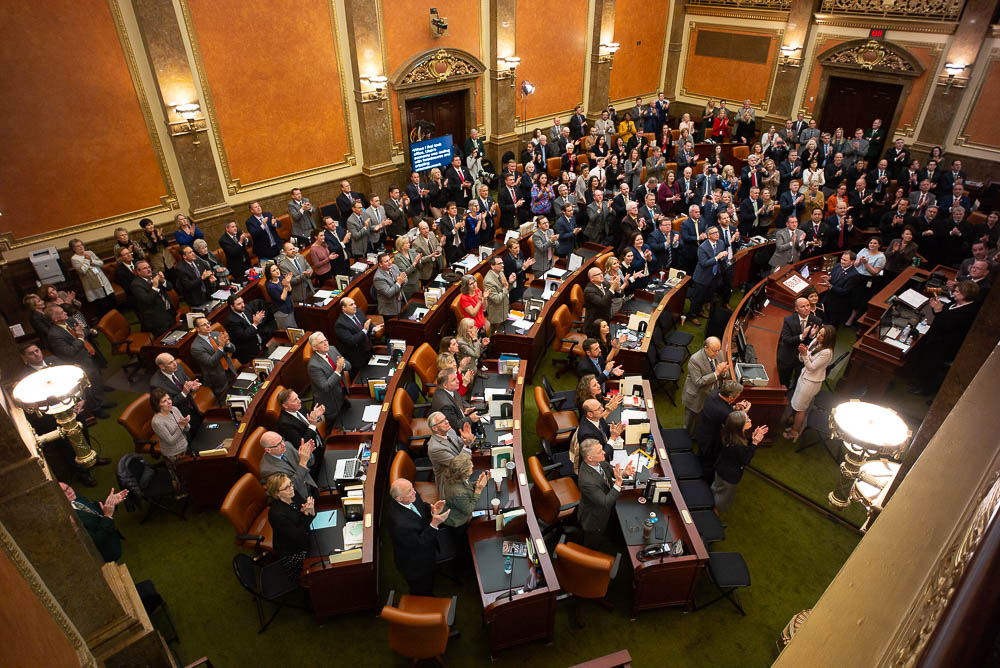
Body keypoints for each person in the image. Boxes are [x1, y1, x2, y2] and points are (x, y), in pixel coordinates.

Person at [909, 280, 981, 395]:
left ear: (965, 294)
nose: (954, 293)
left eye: (957, 292)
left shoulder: (968, 312)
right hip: (934, 339)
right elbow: (942, 315)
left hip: (944, 346)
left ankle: (925, 389)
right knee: (925, 362)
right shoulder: (954, 303)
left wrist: (938, 311)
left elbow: (948, 325)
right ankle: (918, 382)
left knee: (932, 367)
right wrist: (936, 309)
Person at [45, 304, 111, 417]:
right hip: (78, 363)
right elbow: (69, 351)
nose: (65, 313)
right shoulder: (54, 335)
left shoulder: (70, 320)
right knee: (87, 387)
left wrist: (89, 332)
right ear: (55, 319)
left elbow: (83, 330)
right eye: (61, 312)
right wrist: (80, 338)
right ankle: (96, 409)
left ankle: (101, 402)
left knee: (96, 379)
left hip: (89, 353)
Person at [387, 478, 450, 596]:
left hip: (427, 552)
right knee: (423, 590)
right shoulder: (399, 524)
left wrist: (432, 510)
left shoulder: (410, 497)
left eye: (412, 488)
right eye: (410, 492)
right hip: (416, 565)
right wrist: (434, 524)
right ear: (399, 499)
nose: (414, 492)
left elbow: (422, 507)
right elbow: (419, 544)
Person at [577, 439, 634, 549]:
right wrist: (618, 483)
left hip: (606, 508)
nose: (604, 452)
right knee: (592, 544)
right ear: (590, 458)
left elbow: (611, 471)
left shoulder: (599, 461)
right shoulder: (587, 481)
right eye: (599, 451)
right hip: (594, 518)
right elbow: (605, 503)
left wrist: (623, 472)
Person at [784, 324, 836, 442]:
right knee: (797, 404)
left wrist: (804, 354)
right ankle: (794, 426)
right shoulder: (815, 342)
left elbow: (812, 367)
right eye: (819, 333)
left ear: (828, 339)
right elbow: (802, 358)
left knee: (801, 408)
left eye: (822, 336)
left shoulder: (827, 352)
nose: (818, 337)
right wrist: (802, 353)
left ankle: (794, 432)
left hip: (811, 383)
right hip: (804, 377)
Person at [712, 411, 767, 513]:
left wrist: (752, 438)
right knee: (722, 499)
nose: (750, 420)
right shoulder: (737, 445)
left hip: (721, 468)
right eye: (747, 420)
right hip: (729, 476)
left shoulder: (729, 433)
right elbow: (745, 459)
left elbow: (743, 441)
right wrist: (755, 443)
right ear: (740, 426)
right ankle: (714, 513)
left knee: (717, 489)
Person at [695, 380, 749, 483]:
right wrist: (743, 413)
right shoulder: (724, 413)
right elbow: (733, 423)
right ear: (730, 398)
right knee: (708, 463)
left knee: (701, 456)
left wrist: (734, 407)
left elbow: (724, 408)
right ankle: (704, 482)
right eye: (737, 395)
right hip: (711, 442)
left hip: (702, 432)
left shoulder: (714, 393)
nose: (738, 397)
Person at [61, 483, 127, 562]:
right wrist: (107, 516)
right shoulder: (70, 519)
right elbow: (95, 541)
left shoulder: (76, 497)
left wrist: (111, 503)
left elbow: (95, 507)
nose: (69, 491)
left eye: (68, 487)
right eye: (64, 491)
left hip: (112, 537)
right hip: (107, 552)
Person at [265, 473, 315, 578]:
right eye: (286, 488)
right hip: (293, 551)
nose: (291, 488)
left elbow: (308, 514)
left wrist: (310, 511)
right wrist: (307, 514)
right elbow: (297, 536)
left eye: (291, 484)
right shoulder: (276, 514)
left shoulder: (293, 494)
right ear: (277, 493)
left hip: (304, 533)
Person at [682, 337, 730, 434]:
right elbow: (698, 382)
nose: (717, 354)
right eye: (714, 351)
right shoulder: (695, 360)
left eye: (718, 350)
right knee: (691, 422)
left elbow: (726, 374)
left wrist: (724, 373)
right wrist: (716, 373)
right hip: (697, 396)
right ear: (706, 348)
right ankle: (687, 438)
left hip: (714, 394)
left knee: (706, 419)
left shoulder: (719, 353)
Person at [439, 453, 488, 542]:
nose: (472, 466)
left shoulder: (455, 476)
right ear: (463, 473)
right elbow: (469, 509)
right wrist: (478, 490)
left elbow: (466, 485)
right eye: (470, 467)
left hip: (457, 505)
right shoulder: (458, 493)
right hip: (458, 522)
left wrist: (477, 483)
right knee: (463, 542)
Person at [150, 352, 204, 434]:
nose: (175, 364)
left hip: (191, 405)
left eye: (174, 360)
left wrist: (192, 386)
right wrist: (184, 393)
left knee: (201, 428)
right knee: (192, 435)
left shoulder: (178, 366)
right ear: (162, 367)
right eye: (170, 363)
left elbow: (186, 380)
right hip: (179, 414)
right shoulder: (156, 384)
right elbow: (168, 404)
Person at [149, 388, 190, 494]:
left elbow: (187, 429)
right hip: (173, 453)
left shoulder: (174, 409)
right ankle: (182, 494)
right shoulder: (157, 422)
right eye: (164, 401)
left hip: (185, 445)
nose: (169, 402)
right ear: (158, 405)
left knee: (189, 472)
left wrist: (185, 423)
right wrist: (181, 425)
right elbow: (170, 441)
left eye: (169, 399)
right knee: (181, 476)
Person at [776, 297, 823, 390]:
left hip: (804, 358)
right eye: (803, 306)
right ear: (796, 309)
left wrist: (812, 336)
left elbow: (815, 344)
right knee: (784, 381)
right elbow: (786, 340)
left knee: (799, 380)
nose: (807, 308)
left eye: (808, 305)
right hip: (788, 355)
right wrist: (802, 336)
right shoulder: (788, 320)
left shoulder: (817, 321)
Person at [259, 431, 318, 502]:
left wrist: (307, 454)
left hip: (311, 484)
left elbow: (310, 463)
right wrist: (302, 462)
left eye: (282, 440)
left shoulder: (287, 446)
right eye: (278, 444)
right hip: (299, 498)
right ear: (268, 450)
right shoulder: (267, 470)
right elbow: (291, 487)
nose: (283, 444)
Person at [306, 331, 350, 427]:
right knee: (338, 427)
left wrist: (343, 365)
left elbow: (348, 365)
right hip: (331, 403)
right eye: (321, 342)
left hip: (342, 394)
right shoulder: (313, 366)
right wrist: (338, 370)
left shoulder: (332, 349)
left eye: (325, 340)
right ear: (314, 348)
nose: (326, 343)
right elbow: (325, 387)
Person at [687, 226, 727, 326]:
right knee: (697, 298)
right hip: (702, 277)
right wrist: (717, 257)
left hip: (713, 275)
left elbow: (721, 258)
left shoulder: (721, 243)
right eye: (714, 233)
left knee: (706, 296)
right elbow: (704, 263)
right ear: (709, 236)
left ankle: (699, 311)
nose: (717, 234)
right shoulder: (702, 247)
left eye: (717, 232)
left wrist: (723, 257)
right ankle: (692, 315)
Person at [190, 316, 236, 403]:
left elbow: (232, 350)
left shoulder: (216, 334)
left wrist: (228, 343)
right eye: (204, 325)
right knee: (226, 402)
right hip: (217, 379)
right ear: (197, 329)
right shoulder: (196, 347)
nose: (208, 326)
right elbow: (211, 362)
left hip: (229, 370)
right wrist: (221, 346)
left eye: (208, 323)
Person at [845, 237, 886, 327]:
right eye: (871, 242)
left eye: (875, 243)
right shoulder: (864, 250)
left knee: (859, 300)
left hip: (867, 280)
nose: (872, 245)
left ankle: (852, 318)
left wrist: (866, 263)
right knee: (849, 294)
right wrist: (858, 261)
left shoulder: (881, 257)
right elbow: (855, 263)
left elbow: (875, 272)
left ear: (879, 245)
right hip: (856, 276)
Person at [68, 238, 116, 314]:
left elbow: (101, 263)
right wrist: (87, 260)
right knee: (102, 306)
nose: (81, 247)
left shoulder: (89, 252)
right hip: (92, 285)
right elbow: (82, 271)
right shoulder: (74, 259)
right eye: (78, 246)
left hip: (103, 280)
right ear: (73, 249)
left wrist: (92, 260)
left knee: (112, 300)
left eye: (81, 245)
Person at [426, 411, 476, 480]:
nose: (447, 422)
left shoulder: (449, 430)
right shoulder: (435, 449)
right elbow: (457, 466)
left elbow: (462, 444)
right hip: (450, 479)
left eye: (445, 419)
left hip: (463, 467)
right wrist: (466, 444)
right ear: (435, 428)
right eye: (442, 421)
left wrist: (469, 439)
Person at [430, 369, 481, 433]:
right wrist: (470, 419)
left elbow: (459, 398)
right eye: (454, 380)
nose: (458, 381)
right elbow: (455, 427)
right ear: (445, 385)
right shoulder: (445, 406)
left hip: (461, 416)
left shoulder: (450, 388)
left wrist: (465, 408)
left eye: (456, 378)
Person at [823, 251, 860, 326]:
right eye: (842, 259)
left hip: (838, 304)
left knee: (832, 324)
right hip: (828, 299)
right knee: (824, 319)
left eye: (845, 260)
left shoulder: (854, 275)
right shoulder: (837, 266)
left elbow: (845, 291)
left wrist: (830, 286)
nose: (842, 261)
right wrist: (829, 278)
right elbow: (834, 278)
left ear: (852, 262)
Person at [264, 263, 297, 330]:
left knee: (295, 328)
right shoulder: (270, 286)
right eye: (274, 270)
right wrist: (285, 286)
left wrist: (288, 283)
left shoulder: (281, 277)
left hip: (289, 307)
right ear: (269, 274)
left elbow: (290, 292)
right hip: (282, 312)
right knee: (288, 331)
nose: (277, 271)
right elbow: (282, 299)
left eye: (277, 269)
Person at [483, 255, 511, 331]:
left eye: (502, 262)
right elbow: (497, 299)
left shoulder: (501, 273)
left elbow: (506, 288)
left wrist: (510, 282)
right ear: (492, 266)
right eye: (499, 263)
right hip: (497, 315)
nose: (503, 265)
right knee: (495, 336)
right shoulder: (488, 281)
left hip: (504, 309)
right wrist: (506, 288)